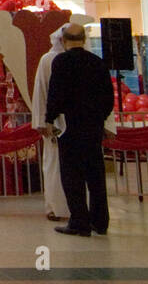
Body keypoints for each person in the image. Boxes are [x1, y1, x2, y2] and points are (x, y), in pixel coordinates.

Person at [45, 24, 114, 237]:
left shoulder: (61, 62)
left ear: (64, 41)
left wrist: (49, 119)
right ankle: (100, 221)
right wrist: (99, 118)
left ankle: (79, 221)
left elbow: (55, 93)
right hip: (93, 127)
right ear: (84, 40)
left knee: (72, 176)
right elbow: (108, 97)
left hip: (71, 126)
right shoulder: (97, 62)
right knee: (95, 175)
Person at [31, 24, 69, 222]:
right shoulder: (48, 60)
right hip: (54, 123)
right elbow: (41, 92)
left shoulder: (88, 59)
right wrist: (42, 121)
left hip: (76, 123)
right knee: (54, 165)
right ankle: (55, 206)